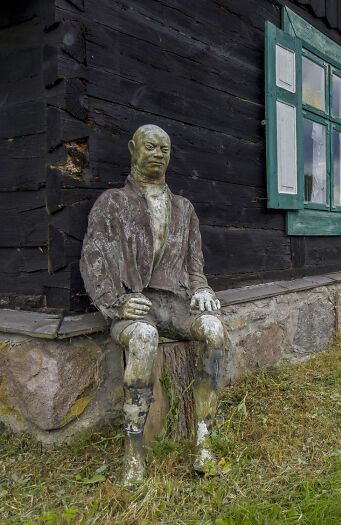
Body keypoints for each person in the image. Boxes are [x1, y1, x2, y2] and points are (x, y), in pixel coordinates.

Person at [80, 125, 227, 486]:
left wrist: (201, 289)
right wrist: (114, 304)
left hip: (173, 304)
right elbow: (93, 258)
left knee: (214, 329)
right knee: (144, 338)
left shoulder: (184, 208)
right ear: (133, 149)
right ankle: (133, 454)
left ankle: (204, 441)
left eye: (165, 148)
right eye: (151, 146)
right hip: (132, 304)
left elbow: (196, 266)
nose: (159, 153)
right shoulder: (112, 203)